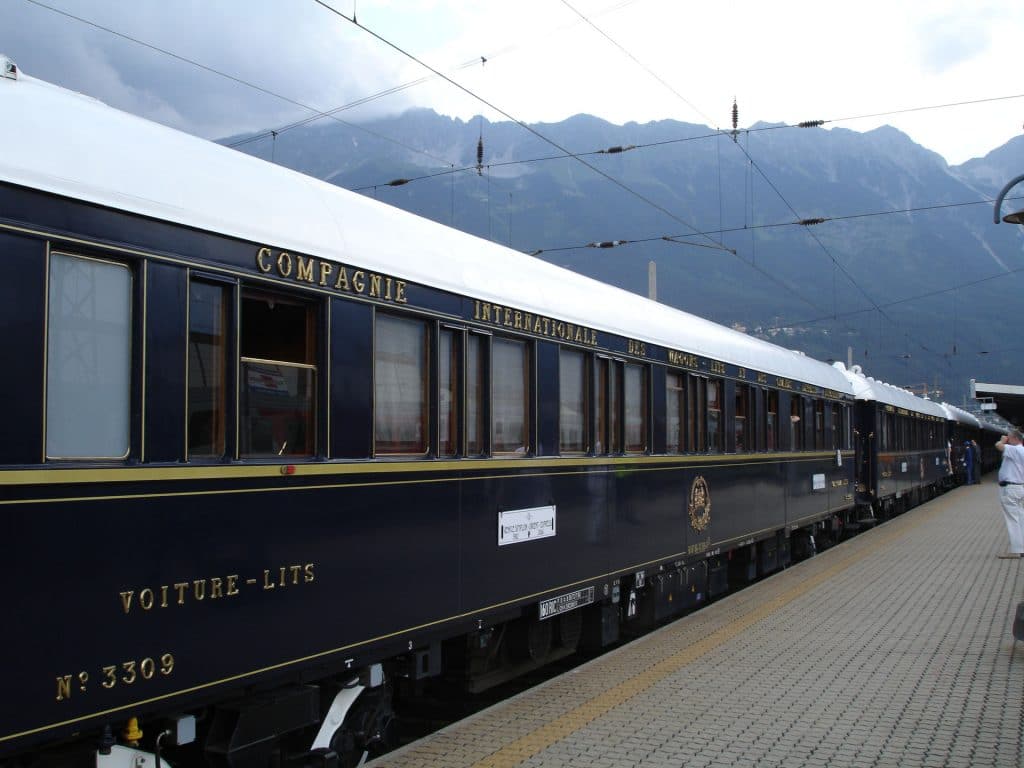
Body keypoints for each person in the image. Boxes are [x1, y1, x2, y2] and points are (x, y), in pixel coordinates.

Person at [995, 429, 1024, 558]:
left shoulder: (1015, 449)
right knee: (1020, 517)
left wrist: (1002, 441)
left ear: (1014, 438)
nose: (1007, 439)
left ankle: (1016, 550)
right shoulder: (1021, 450)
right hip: (1018, 488)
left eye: (1009, 437)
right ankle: (1021, 548)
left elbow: (998, 446)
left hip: (1010, 489)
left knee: (1012, 519)